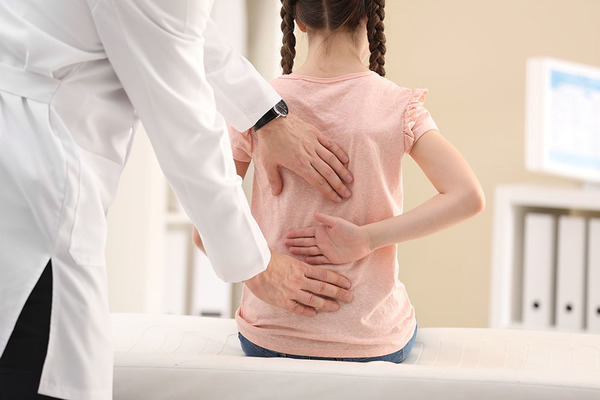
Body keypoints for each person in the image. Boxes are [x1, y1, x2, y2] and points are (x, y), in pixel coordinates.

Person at [0, 1, 356, 399]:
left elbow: (183, 32)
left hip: (30, 147)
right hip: (29, 173)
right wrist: (256, 265)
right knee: (46, 364)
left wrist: (266, 116)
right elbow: (186, 132)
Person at [194, 0, 485, 363]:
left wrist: (262, 269)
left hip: (267, 337)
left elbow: (203, 231)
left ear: (299, 21)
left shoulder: (255, 110)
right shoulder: (398, 105)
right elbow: (467, 196)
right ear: (369, 15)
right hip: (371, 343)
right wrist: (367, 239)